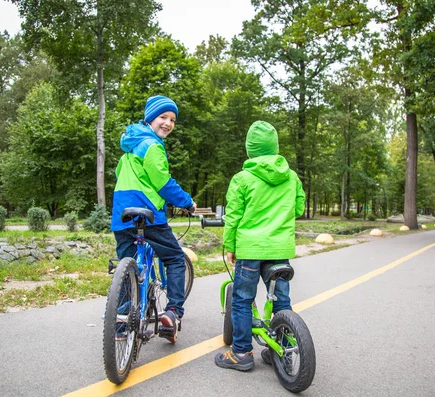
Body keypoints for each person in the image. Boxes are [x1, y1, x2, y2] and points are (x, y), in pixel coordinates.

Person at [214, 120, 305, 371]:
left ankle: (241, 353)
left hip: (250, 250)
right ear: (275, 147)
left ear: (250, 149)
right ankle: (284, 350)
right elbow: (298, 208)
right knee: (282, 302)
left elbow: (233, 216)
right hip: (279, 250)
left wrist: (229, 245)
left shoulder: (242, 179)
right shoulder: (291, 177)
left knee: (243, 300)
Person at [110, 95, 196, 343]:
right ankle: (172, 312)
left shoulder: (129, 149)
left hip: (122, 216)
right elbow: (162, 182)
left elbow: (120, 175)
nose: (168, 123)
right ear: (150, 119)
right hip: (149, 216)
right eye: (163, 117)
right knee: (175, 259)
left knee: (127, 265)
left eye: (172, 119)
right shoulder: (153, 146)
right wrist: (187, 202)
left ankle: (121, 323)